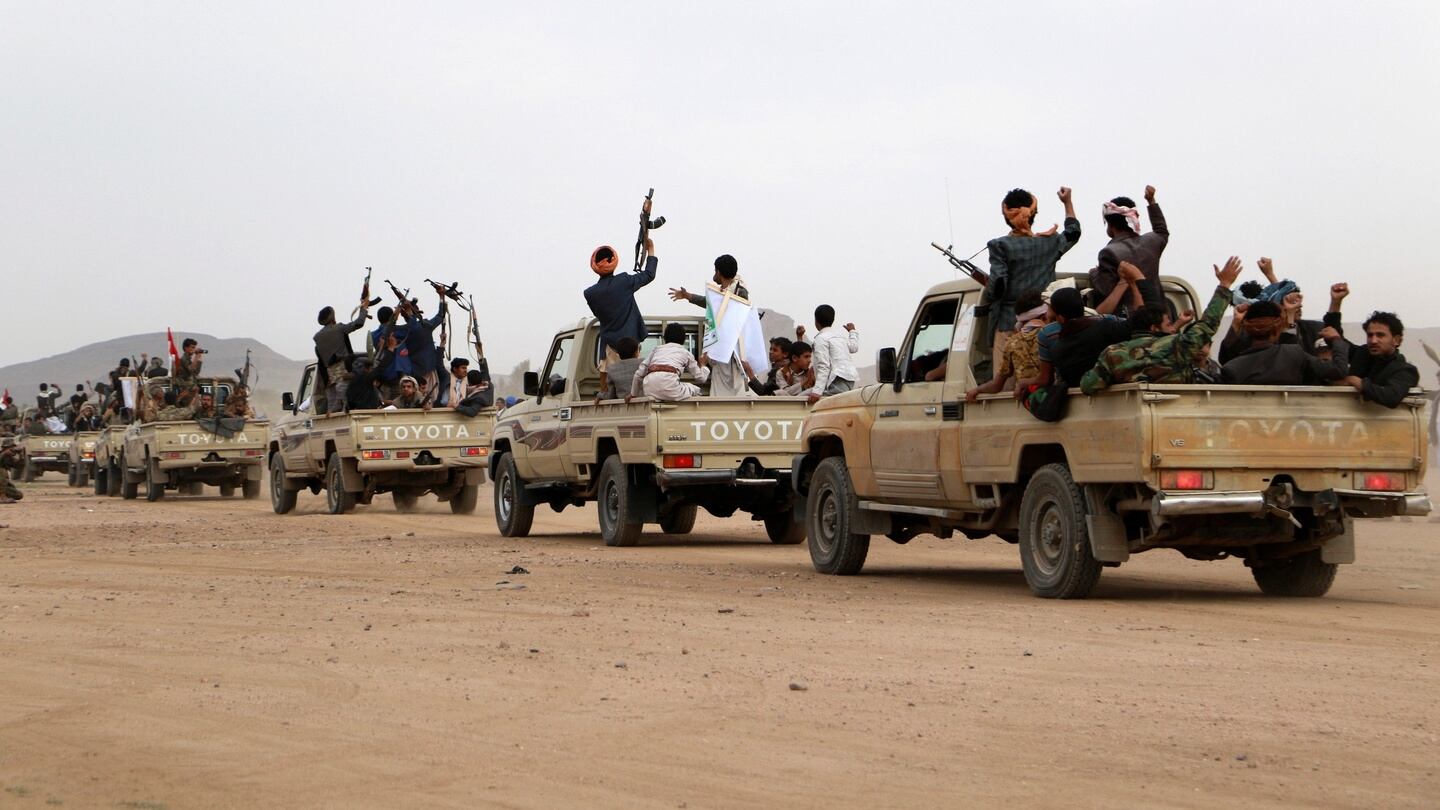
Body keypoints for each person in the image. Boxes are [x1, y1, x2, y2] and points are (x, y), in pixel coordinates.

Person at [1080, 256, 1244, 394]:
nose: (1172, 327)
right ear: (1154, 328)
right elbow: (1208, 323)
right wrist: (1224, 285)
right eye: (1168, 324)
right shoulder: (1176, 346)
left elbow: (1088, 386)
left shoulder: (1112, 354)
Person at [984, 186, 1081, 362]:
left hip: (1009, 325)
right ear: (1033, 213)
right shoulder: (1049, 242)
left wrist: (989, 291)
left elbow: (998, 285)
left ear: (1006, 215)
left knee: (1007, 384)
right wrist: (1067, 202)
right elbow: (1073, 233)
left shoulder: (1000, 246)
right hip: (1045, 325)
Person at [585, 206, 660, 395]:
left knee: (610, 389)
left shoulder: (590, 293)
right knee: (637, 387)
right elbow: (649, 274)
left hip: (610, 347)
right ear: (614, 260)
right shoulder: (624, 282)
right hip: (631, 345)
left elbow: (598, 314)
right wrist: (650, 249)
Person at [1220, 258, 1347, 363]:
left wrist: (1336, 303)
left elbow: (1334, 336)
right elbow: (1226, 358)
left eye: (1297, 300)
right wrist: (1236, 322)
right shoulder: (1256, 336)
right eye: (1290, 301)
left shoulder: (1311, 330)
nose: (1297, 305)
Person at [669, 254, 751, 396]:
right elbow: (712, 304)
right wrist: (688, 296)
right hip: (719, 352)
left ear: (719, 272)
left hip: (731, 351)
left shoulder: (739, 293)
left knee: (733, 389)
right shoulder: (723, 293)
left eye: (715, 270)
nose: (714, 274)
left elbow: (729, 313)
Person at [1220, 300, 1349, 384]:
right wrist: (1337, 340)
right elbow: (1338, 370)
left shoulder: (1233, 368)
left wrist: (1236, 323)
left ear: (1247, 328)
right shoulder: (1294, 355)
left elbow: (1226, 358)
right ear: (1278, 328)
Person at [1090, 185, 1169, 312]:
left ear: (1110, 224)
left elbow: (1104, 290)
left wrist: (1094, 273)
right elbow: (1161, 230)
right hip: (1158, 320)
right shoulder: (1152, 242)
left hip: (1131, 323)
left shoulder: (1108, 253)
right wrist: (1151, 201)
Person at [966, 289, 1048, 400]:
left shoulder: (1012, 343)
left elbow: (996, 385)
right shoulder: (1052, 334)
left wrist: (976, 390)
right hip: (1055, 397)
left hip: (1030, 402)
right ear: (1044, 315)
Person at [1337, 312, 1420, 408]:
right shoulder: (1362, 355)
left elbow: (1391, 396)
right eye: (1370, 335)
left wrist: (1356, 382)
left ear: (1396, 340)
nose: (1373, 341)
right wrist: (1336, 304)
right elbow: (1337, 341)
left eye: (1380, 335)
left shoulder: (1405, 370)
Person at [630, 323, 709, 401]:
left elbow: (639, 374)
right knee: (695, 389)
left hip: (649, 388)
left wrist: (633, 394)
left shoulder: (656, 349)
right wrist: (703, 365)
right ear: (684, 339)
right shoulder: (685, 353)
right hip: (670, 387)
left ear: (665, 338)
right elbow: (701, 379)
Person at [314, 302, 369, 414]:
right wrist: (364, 309)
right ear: (332, 317)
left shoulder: (317, 337)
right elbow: (359, 323)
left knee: (332, 404)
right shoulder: (339, 328)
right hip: (343, 369)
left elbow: (320, 360)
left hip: (329, 373)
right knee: (346, 401)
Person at [804, 305, 860, 404]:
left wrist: (817, 391)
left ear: (816, 321)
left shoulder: (820, 339)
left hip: (836, 380)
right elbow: (853, 347)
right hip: (849, 379)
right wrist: (852, 332)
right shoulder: (840, 337)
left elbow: (823, 365)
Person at [405, 288, 449, 404]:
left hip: (413, 372)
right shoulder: (425, 326)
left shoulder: (402, 331)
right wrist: (441, 296)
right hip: (429, 369)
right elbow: (440, 316)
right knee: (432, 399)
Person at [596, 338, 642, 402]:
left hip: (624, 406)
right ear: (636, 352)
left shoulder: (612, 369)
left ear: (618, 354)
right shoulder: (644, 364)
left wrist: (599, 396)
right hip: (646, 402)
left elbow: (610, 395)